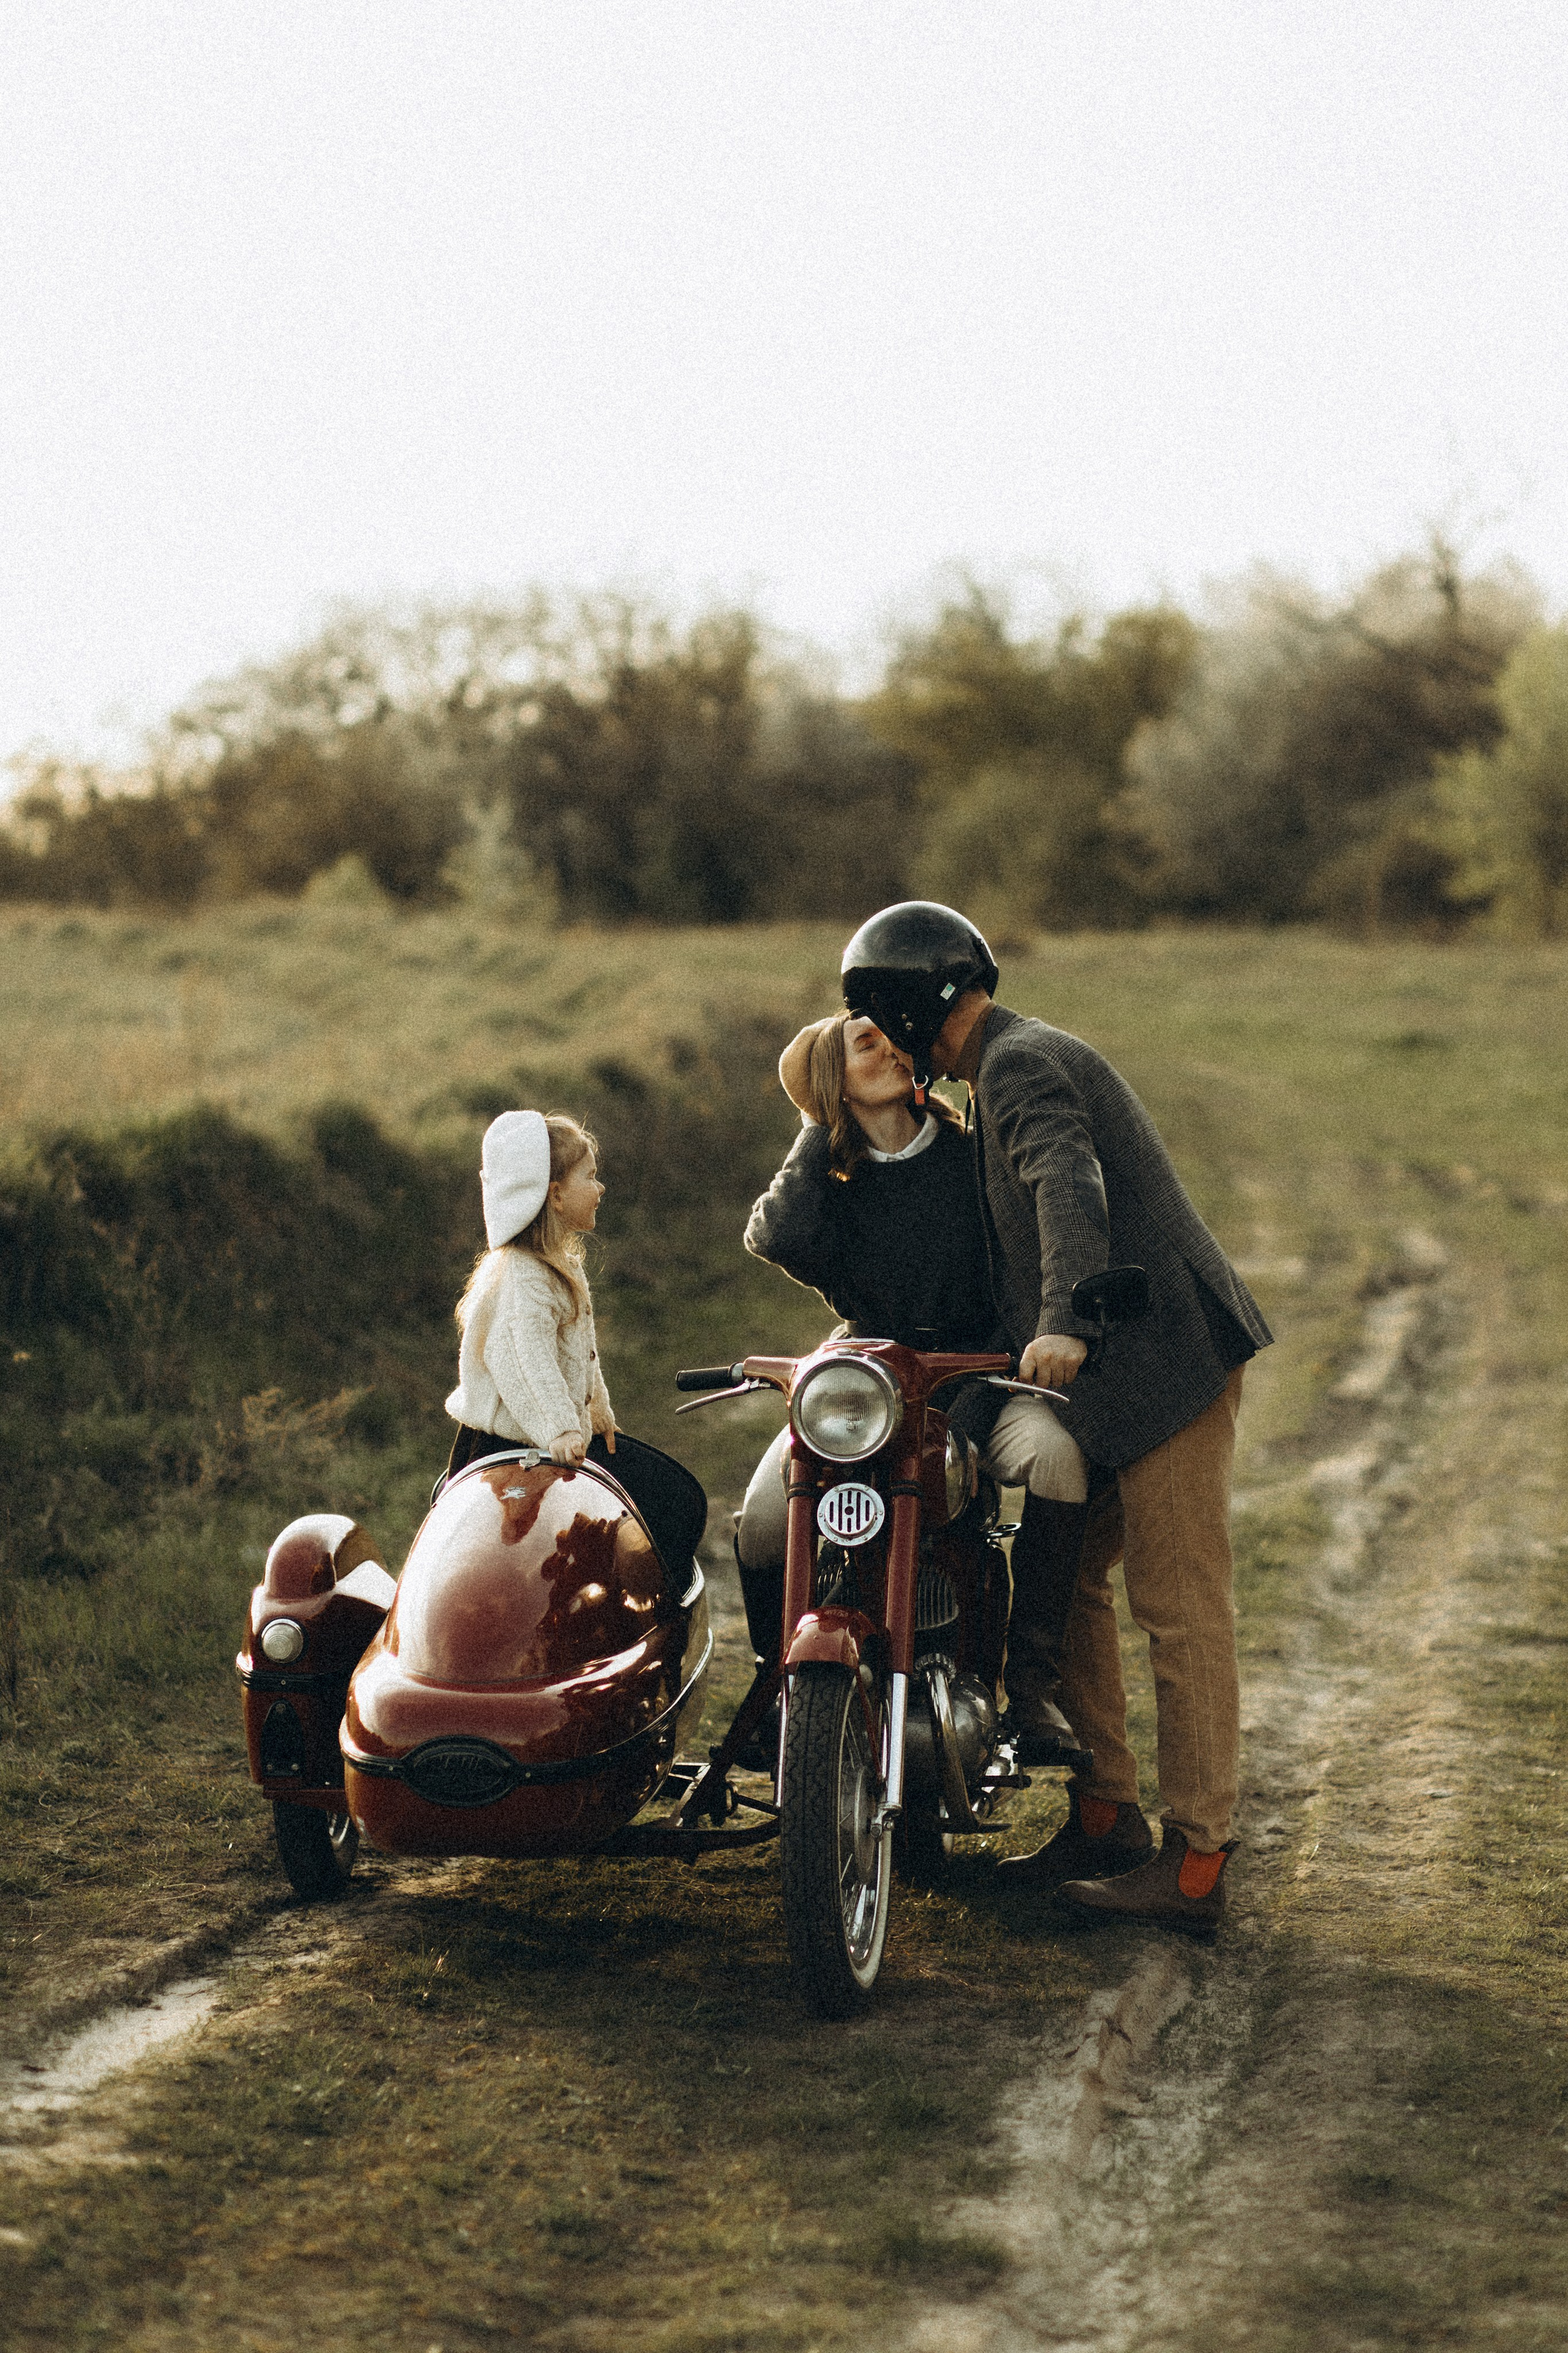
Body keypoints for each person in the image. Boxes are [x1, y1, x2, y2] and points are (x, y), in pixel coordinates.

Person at [841, 902, 1273, 1932]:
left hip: (1163, 1365)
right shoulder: (1002, 1068)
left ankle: (1199, 1858)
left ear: (907, 1007)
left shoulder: (1024, 1066)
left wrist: (1066, 1322)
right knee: (1071, 1575)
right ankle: (1106, 1811)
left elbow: (1065, 1185)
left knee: (1179, 1607)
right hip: (1119, 1381)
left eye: (875, 1016)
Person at [739, 1011, 1088, 1764]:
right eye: (865, 1046)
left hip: (978, 1375)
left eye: (893, 1037)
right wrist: (819, 1117)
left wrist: (987, 1387)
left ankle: (1030, 1690)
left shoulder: (968, 1154)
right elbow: (775, 1237)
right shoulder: (831, 1181)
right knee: (764, 1520)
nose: (895, 1048)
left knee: (1057, 1460)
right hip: (868, 1382)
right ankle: (780, 1697)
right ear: (836, 1083)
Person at [445, 1109, 617, 1478]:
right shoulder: (524, 1278)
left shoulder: (562, 1265)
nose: (600, 1188)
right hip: (503, 1452)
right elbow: (527, 1362)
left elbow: (581, 1353)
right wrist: (560, 1428)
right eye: (590, 1177)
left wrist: (597, 1411)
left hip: (545, 1444)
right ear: (555, 1194)